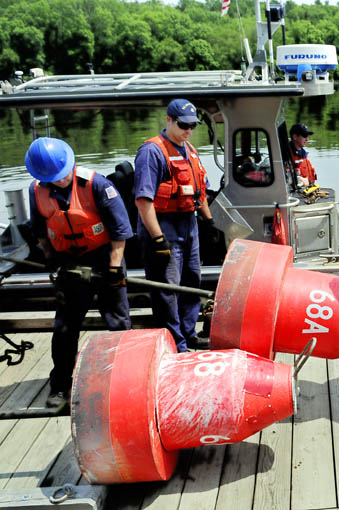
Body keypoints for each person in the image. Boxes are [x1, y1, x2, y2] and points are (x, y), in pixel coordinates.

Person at [25, 137, 132, 408]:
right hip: (68, 263)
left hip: (105, 256)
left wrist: (113, 270)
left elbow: (120, 232)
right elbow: (39, 229)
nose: (59, 181)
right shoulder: (36, 190)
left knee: (117, 322)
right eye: (52, 178)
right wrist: (51, 259)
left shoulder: (98, 185)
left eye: (62, 176)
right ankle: (60, 385)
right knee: (64, 327)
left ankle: (125, 380)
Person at [134, 99, 214, 353]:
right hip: (163, 225)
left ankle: (189, 334)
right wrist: (158, 239)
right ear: (168, 120)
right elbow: (143, 201)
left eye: (193, 125)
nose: (189, 130)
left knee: (192, 281)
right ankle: (175, 342)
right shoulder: (152, 152)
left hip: (188, 223)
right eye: (183, 125)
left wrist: (209, 221)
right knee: (168, 288)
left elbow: (199, 191)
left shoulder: (189, 148)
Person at [289, 123, 317, 187]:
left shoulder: (303, 154)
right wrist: (300, 180)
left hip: (309, 191)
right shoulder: (286, 156)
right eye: (304, 135)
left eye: (307, 136)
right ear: (295, 137)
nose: (307, 139)